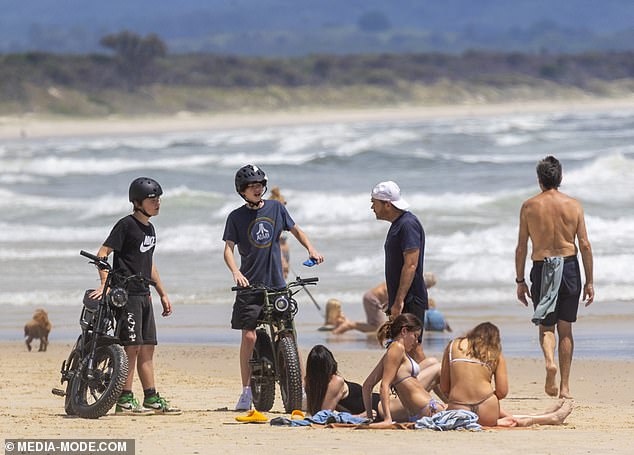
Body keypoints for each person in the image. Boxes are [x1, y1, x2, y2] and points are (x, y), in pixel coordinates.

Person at [223, 164, 324, 410]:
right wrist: (236, 272)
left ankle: (299, 389)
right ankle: (246, 391)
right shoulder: (235, 217)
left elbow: (296, 230)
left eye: (260, 185)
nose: (257, 189)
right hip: (250, 286)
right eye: (251, 186)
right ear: (242, 191)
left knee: (288, 333)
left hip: (277, 284)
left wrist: (311, 248)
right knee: (248, 335)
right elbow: (228, 249)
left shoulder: (276, 208)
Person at [90, 177, 180, 415]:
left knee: (148, 346)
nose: (158, 203)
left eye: (159, 198)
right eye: (153, 199)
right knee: (132, 347)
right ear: (138, 202)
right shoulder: (126, 225)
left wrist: (162, 293)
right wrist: (105, 284)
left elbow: (148, 263)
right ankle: (125, 398)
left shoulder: (150, 228)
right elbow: (102, 254)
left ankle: (151, 397)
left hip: (144, 294)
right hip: (126, 294)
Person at [515, 156, 594, 399]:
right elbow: (585, 245)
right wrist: (589, 280)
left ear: (539, 180)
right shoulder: (573, 205)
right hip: (569, 267)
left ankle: (550, 362)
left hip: (541, 267)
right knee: (566, 329)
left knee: (546, 326)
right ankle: (565, 387)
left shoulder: (529, 206)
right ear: (560, 178)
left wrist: (520, 281)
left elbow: (521, 247)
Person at [440, 322, 573, 427]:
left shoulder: (453, 346)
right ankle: (548, 417)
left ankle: (546, 415)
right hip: (487, 411)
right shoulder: (495, 352)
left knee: (498, 412)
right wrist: (487, 398)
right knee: (494, 406)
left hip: (458, 409)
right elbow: (502, 392)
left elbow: (444, 387)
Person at [371, 181, 428, 361]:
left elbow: (411, 265)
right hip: (404, 298)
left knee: (413, 349)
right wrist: (394, 297)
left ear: (387, 204)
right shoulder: (397, 225)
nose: (372, 207)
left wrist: (400, 301)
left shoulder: (407, 224)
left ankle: (442, 387)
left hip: (411, 299)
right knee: (405, 350)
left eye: (374, 202)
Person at [362, 314, 444, 423]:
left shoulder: (393, 350)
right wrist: (387, 419)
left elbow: (367, 385)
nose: (416, 341)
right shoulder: (397, 348)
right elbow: (384, 385)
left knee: (433, 362)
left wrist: (369, 417)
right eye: (415, 336)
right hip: (427, 409)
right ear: (404, 331)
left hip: (419, 412)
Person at [332, 272, 450, 335]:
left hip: (372, 297)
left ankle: (346, 323)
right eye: (427, 287)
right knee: (376, 327)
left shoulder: (405, 278)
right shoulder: (408, 283)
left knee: (376, 325)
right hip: (373, 299)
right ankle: (349, 325)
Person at [304, 344, 381, 416]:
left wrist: (359, 416)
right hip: (371, 408)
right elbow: (320, 414)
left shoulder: (335, 381)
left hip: (376, 404)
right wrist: (359, 416)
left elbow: (323, 414)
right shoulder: (317, 382)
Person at [268, 187, 290, 279]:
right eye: (283, 204)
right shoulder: (274, 221)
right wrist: (283, 260)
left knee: (283, 277)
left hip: (284, 253)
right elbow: (276, 243)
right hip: (279, 255)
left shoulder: (281, 219)